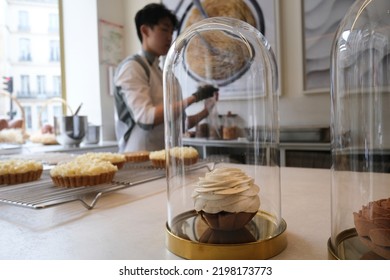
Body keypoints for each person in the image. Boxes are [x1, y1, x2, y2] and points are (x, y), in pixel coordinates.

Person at [114, 3, 218, 153]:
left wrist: (206, 111)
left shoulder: (162, 73)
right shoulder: (132, 67)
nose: (170, 37)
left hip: (163, 157)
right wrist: (195, 97)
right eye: (164, 30)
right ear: (145, 30)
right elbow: (146, 118)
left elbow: (180, 124)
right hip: (137, 158)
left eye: (171, 32)